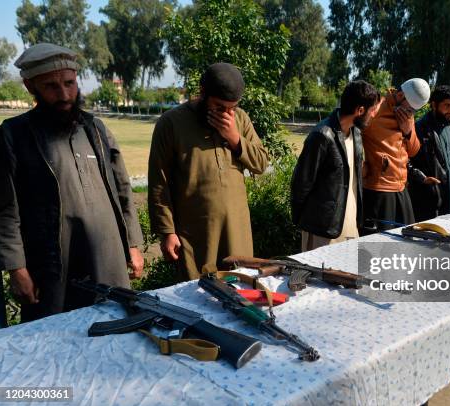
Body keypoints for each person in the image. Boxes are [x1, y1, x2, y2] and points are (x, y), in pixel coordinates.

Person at [0, 43, 144, 322]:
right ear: (30, 87)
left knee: (115, 326)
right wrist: (16, 268)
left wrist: (133, 244)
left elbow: (123, 189)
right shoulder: (12, 136)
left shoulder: (95, 129)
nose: (64, 94)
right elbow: (5, 209)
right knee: (54, 340)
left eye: (69, 83)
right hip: (52, 268)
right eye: (51, 86)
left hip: (107, 259)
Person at [148, 63, 269, 280]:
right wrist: (167, 231)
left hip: (237, 233)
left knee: (240, 294)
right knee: (198, 300)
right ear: (202, 93)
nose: (227, 114)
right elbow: (159, 182)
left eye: (232, 107)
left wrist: (234, 138)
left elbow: (260, 163)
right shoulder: (171, 124)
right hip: (195, 237)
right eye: (220, 107)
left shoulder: (239, 119)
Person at [291, 81, 380, 251]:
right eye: (373, 110)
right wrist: (305, 223)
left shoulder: (357, 133)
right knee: (318, 276)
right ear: (360, 110)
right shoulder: (322, 135)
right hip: (322, 230)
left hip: (350, 226)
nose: (374, 115)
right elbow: (301, 183)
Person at [361, 78, 431, 232]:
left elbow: (414, 151)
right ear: (400, 95)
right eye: (411, 108)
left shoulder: (407, 115)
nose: (411, 113)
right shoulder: (375, 109)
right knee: (377, 247)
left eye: (414, 111)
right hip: (378, 189)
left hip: (401, 187)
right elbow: (353, 137)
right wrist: (363, 166)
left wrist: (408, 131)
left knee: (404, 241)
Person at [408, 85, 450, 221]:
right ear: (434, 105)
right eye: (447, 106)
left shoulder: (449, 127)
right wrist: (422, 178)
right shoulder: (420, 129)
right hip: (431, 197)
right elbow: (407, 160)